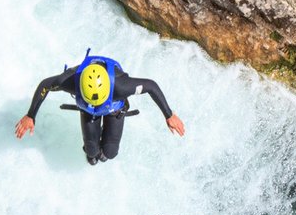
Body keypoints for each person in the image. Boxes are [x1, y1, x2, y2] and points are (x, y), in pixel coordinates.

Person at [14, 51, 185, 165]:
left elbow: (151, 86)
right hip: (87, 110)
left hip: (115, 108)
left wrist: (169, 115)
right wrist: (31, 115)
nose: (96, 105)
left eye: (97, 102)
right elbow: (45, 85)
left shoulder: (121, 87)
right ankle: (93, 151)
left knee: (109, 153)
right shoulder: (69, 81)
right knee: (91, 151)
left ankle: (102, 150)